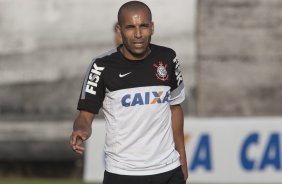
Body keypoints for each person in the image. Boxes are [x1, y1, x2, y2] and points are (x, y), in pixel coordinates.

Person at [70, 1, 188, 183]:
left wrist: (182, 159)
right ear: (120, 30)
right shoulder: (101, 66)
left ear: (152, 27)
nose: (138, 34)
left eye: (144, 26)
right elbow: (85, 117)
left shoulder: (168, 58)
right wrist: (80, 130)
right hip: (123, 173)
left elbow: (175, 108)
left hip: (169, 170)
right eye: (131, 27)